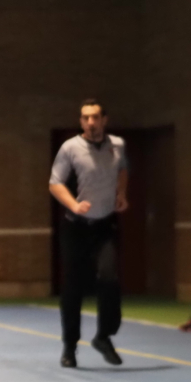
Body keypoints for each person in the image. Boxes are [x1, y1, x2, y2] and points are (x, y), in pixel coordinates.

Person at [49, 100, 128, 368]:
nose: (90, 122)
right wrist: (73, 205)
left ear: (104, 119)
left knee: (109, 277)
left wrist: (122, 193)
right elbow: (55, 183)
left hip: (105, 225)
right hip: (76, 226)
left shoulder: (117, 145)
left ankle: (104, 336)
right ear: (81, 121)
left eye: (95, 117)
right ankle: (69, 347)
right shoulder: (70, 148)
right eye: (85, 118)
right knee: (73, 287)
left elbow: (123, 168)